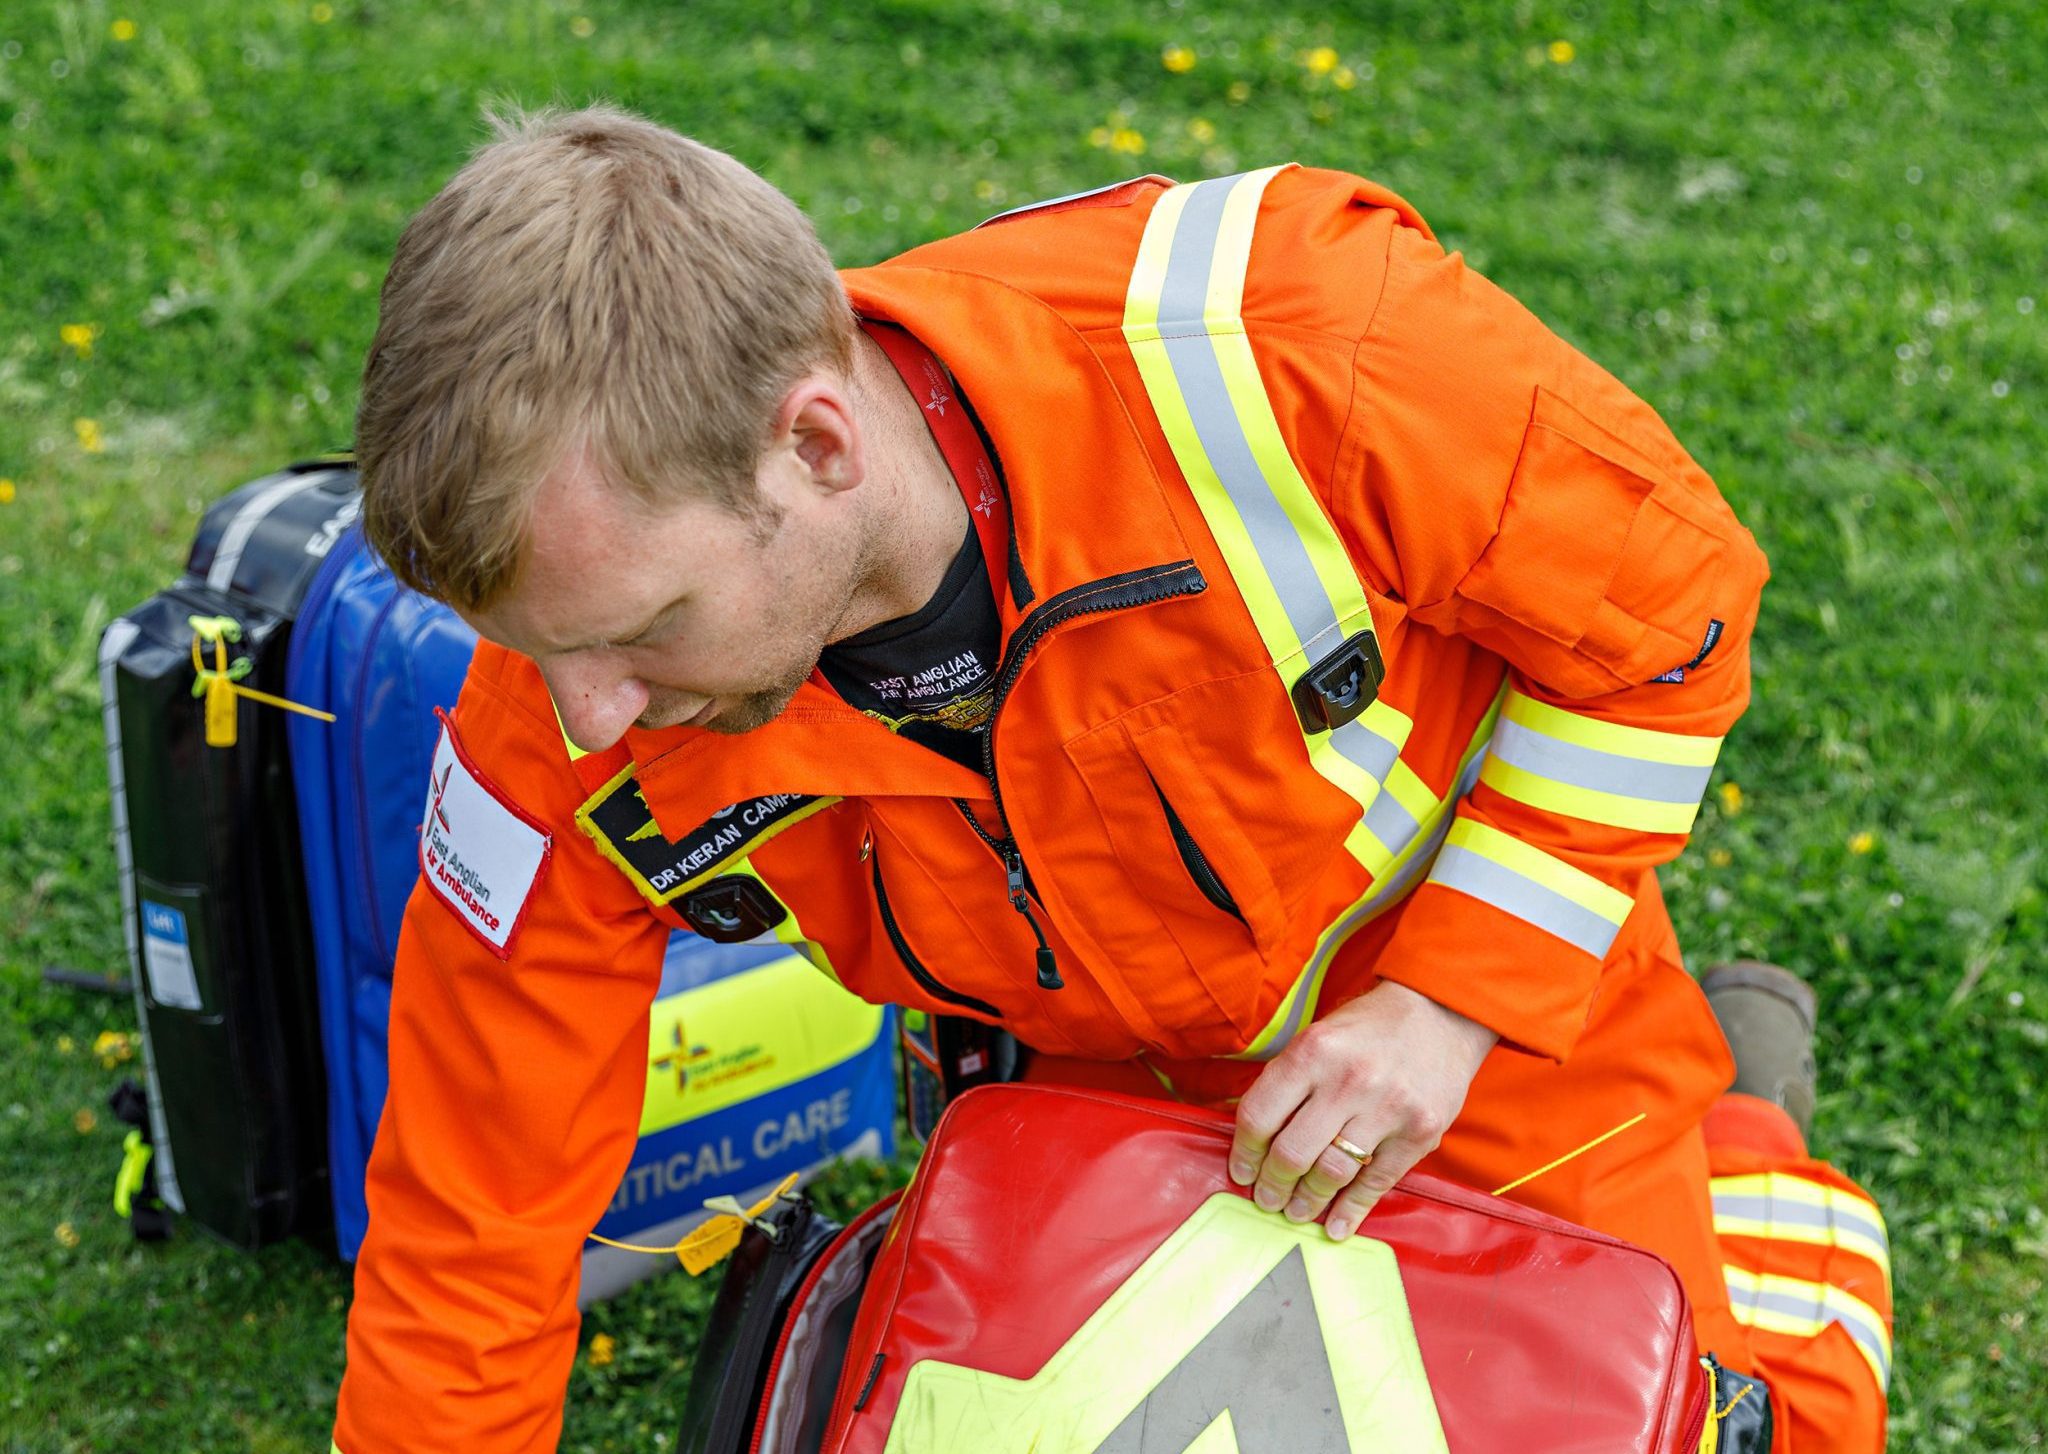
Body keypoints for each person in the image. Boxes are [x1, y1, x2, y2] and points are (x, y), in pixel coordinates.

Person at [332, 102, 1890, 1453]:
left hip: (1488, 1051)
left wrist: (1452, 1004)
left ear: (815, 444)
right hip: (1069, 1119)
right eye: (541, 648)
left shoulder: (1295, 335)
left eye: (643, 628)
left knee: (1739, 1416)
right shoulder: (557, 720)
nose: (589, 716)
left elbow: (1672, 619)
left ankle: (1743, 1138)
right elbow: (474, 1213)